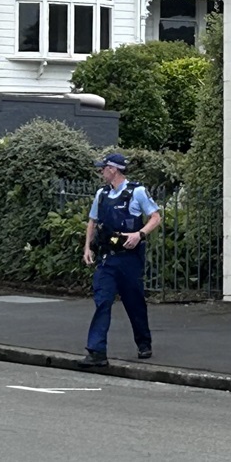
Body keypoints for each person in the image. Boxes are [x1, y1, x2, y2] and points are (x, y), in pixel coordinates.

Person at [78, 152, 160, 368]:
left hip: (129, 259)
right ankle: (96, 351)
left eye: (103, 168)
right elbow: (92, 222)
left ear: (113, 169)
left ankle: (144, 342)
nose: (101, 172)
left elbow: (156, 217)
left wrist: (139, 234)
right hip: (107, 258)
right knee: (102, 301)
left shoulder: (137, 192)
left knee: (134, 303)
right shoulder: (102, 194)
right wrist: (87, 247)